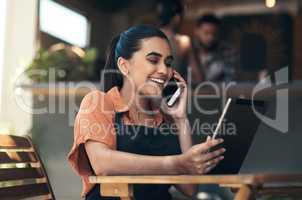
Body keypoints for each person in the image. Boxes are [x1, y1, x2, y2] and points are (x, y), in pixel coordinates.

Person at [68, 25, 225, 200]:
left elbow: (189, 188)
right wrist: (176, 163)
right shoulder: (98, 102)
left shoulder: (163, 118)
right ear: (124, 65)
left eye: (168, 63)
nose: (164, 71)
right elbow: (102, 164)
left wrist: (181, 120)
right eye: (153, 60)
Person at [189, 14, 238, 83]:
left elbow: (231, 80)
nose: (210, 38)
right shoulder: (188, 50)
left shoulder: (228, 52)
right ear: (196, 31)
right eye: (206, 33)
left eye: (214, 34)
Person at [157, 0, 191, 79]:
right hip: (176, 89)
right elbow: (196, 75)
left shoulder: (147, 39)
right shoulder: (184, 42)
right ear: (177, 17)